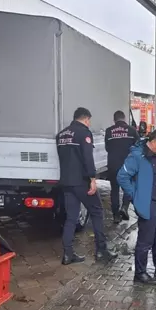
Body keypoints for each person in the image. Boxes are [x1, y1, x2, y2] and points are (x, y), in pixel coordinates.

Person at [117, 128, 156, 284]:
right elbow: (122, 176)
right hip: (148, 204)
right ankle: (140, 273)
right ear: (154, 142)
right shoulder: (138, 156)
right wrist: (135, 195)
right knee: (145, 240)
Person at [56, 107, 118, 265]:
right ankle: (101, 250)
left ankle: (68, 254)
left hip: (66, 182)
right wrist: (92, 178)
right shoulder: (84, 133)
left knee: (71, 217)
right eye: (89, 120)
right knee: (97, 212)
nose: (89, 124)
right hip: (81, 182)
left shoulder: (61, 135)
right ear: (85, 119)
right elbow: (87, 157)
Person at [105, 110, 139, 224]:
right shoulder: (132, 130)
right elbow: (138, 147)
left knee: (114, 190)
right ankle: (124, 207)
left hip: (113, 165)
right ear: (124, 119)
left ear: (114, 120)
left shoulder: (109, 131)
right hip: (128, 165)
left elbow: (107, 148)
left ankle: (116, 216)